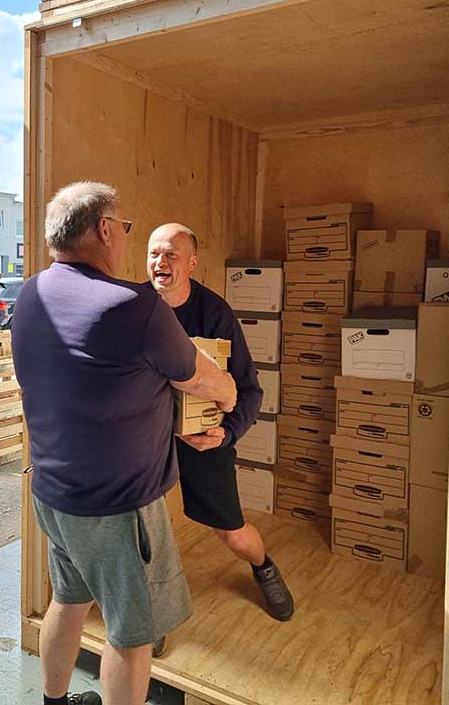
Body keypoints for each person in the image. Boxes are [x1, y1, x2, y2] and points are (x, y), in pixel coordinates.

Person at [12, 183, 237, 705]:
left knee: (67, 602)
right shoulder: (134, 306)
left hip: (53, 493)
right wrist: (228, 393)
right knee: (132, 634)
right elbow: (198, 377)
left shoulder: (30, 294)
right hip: (117, 506)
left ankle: (53, 701)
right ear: (105, 229)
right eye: (126, 228)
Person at [146, 222, 294, 626]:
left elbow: (249, 390)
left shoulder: (214, 313)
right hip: (145, 440)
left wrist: (224, 434)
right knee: (141, 531)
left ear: (191, 263)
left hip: (201, 441)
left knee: (231, 531)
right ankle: (147, 616)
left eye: (171, 254)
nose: (161, 262)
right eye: (154, 253)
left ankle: (263, 566)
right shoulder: (133, 306)